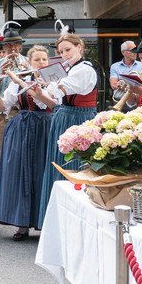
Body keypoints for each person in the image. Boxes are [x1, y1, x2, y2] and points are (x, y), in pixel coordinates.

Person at [31, 33, 98, 230]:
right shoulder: (69, 70)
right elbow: (54, 99)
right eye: (61, 52)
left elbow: (59, 89)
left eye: (68, 50)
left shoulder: (84, 70)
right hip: (63, 118)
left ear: (79, 47)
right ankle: (54, 226)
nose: (64, 54)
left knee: (74, 168)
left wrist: (47, 81)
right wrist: (39, 91)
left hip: (79, 120)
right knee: (57, 166)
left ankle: (74, 227)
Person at [0, 45, 52, 241]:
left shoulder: (53, 80)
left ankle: (45, 224)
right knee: (21, 173)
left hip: (45, 128)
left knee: (42, 173)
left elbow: (45, 102)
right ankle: (22, 223)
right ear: (30, 62)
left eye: (44, 59)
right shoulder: (18, 81)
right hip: (22, 129)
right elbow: (2, 107)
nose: (41, 63)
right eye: (37, 60)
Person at [0, 24, 28, 148]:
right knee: (4, 147)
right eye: (10, 45)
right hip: (4, 111)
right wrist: (1, 73)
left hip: (24, 109)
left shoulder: (27, 61)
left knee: (23, 146)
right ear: (4, 47)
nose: (13, 48)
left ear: (20, 46)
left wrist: (27, 73)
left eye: (16, 44)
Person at [109, 41, 142, 111]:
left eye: (136, 50)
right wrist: (119, 84)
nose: (135, 52)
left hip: (136, 101)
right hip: (119, 101)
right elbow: (113, 85)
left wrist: (126, 83)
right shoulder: (115, 66)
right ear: (123, 52)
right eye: (132, 50)